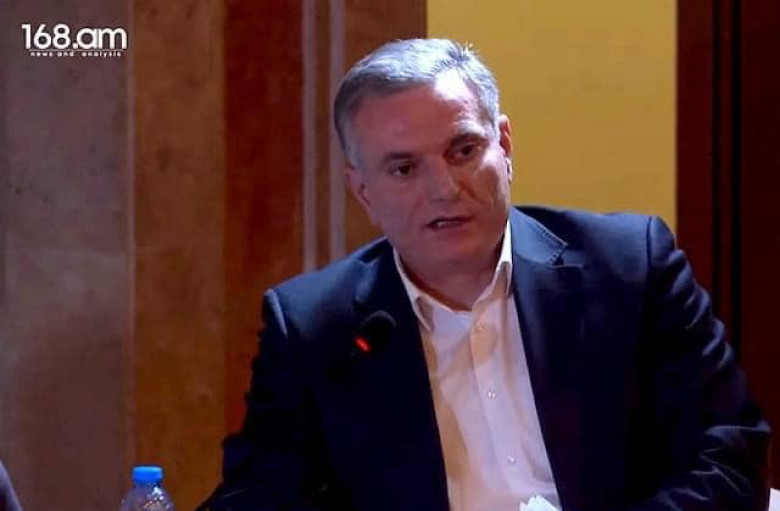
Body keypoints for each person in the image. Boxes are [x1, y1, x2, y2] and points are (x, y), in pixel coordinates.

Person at [201, 38, 770, 511]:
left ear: (505, 144)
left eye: (464, 150)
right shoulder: (315, 327)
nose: (444, 188)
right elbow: (261, 496)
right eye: (403, 168)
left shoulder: (628, 267)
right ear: (362, 191)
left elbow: (728, 455)